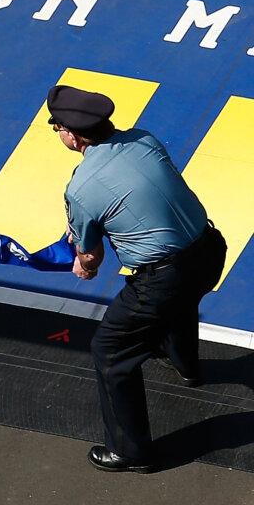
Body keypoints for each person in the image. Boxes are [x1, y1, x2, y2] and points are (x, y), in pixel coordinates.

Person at [47, 84, 226, 474]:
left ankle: (130, 451)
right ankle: (187, 366)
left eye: (54, 126)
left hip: (162, 278)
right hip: (210, 248)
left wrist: (84, 264)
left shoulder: (81, 187)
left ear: (71, 135)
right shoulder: (145, 139)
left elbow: (90, 258)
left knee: (111, 351)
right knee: (181, 302)